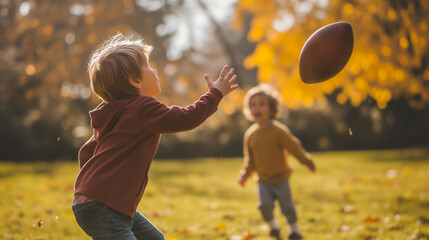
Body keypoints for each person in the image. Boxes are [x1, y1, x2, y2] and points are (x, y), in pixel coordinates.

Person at [72, 32, 238, 240]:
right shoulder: (141, 107)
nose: (155, 70)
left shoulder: (112, 112)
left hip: (99, 202)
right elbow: (184, 118)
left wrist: (94, 184)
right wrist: (216, 94)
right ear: (135, 81)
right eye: (149, 67)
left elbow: (87, 153)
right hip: (104, 205)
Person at [237, 84, 315, 240]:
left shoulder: (278, 131)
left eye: (261, 104)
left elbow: (294, 148)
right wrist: (245, 174)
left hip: (281, 178)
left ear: (272, 109)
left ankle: (294, 230)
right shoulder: (250, 135)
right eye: (253, 105)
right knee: (264, 206)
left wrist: (307, 161)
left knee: (287, 207)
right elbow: (250, 160)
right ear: (249, 110)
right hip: (263, 181)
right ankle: (274, 226)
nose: (256, 108)